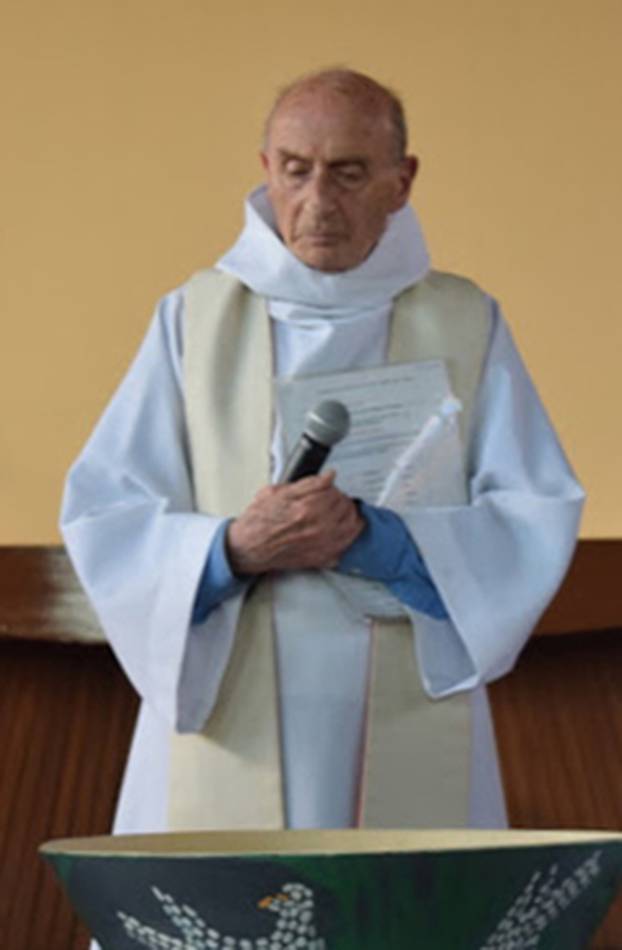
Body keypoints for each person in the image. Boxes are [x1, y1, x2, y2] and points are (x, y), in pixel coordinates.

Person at [60, 69, 584, 837]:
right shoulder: (194, 319)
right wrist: (231, 549)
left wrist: (387, 545)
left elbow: (531, 518)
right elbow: (108, 513)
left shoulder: (466, 321)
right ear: (266, 168)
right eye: (295, 170)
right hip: (224, 716)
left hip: (412, 708)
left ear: (401, 181)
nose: (317, 201)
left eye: (348, 172)